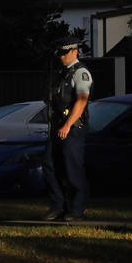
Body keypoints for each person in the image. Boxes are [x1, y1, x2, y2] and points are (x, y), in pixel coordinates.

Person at [42, 35, 93, 222]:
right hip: (58, 126)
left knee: (72, 168)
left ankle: (76, 209)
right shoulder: (62, 73)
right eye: (60, 54)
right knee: (50, 164)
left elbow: (81, 101)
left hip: (72, 128)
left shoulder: (81, 73)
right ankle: (58, 206)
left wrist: (67, 125)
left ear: (74, 51)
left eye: (64, 53)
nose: (61, 57)